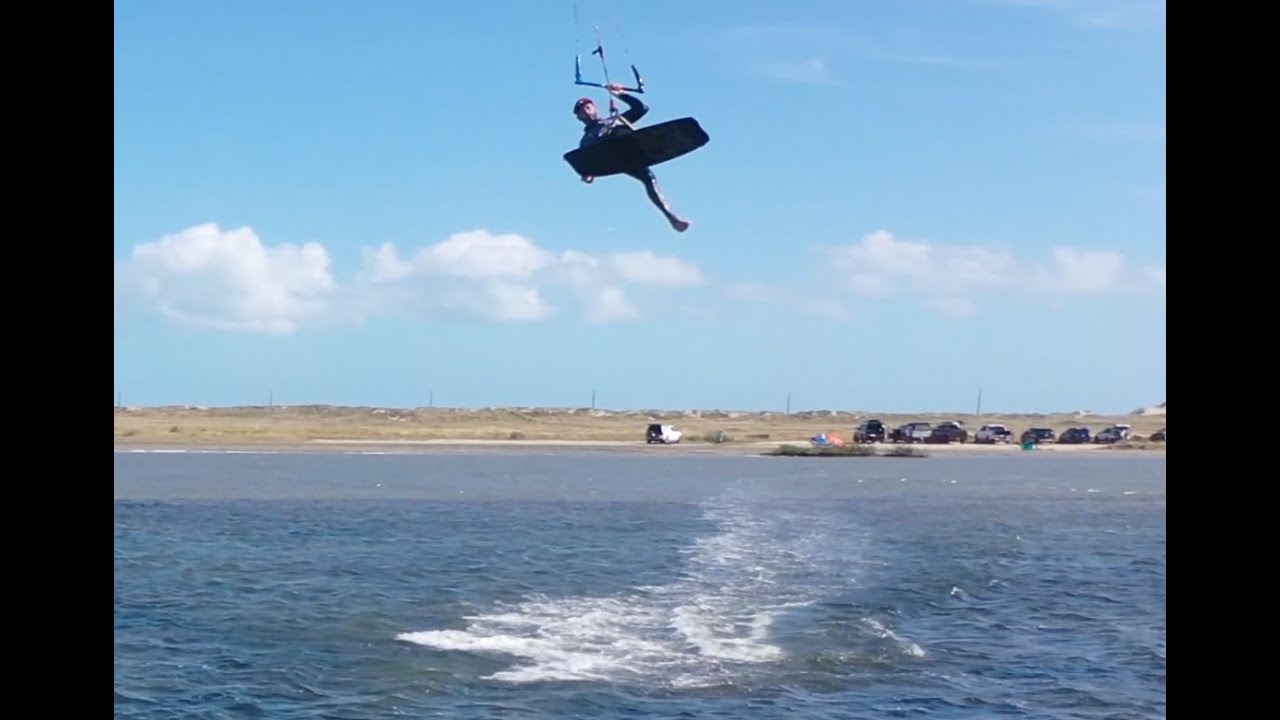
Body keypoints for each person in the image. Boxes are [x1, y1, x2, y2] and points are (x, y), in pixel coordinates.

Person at [574, 84, 690, 232]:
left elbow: (641, 108)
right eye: (582, 111)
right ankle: (672, 219)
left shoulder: (614, 120)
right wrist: (589, 174)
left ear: (595, 108)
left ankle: (672, 218)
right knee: (644, 174)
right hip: (615, 158)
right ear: (579, 117)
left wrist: (620, 94)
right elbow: (587, 164)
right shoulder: (586, 140)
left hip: (629, 152)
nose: (586, 111)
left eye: (588, 107)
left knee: (649, 178)